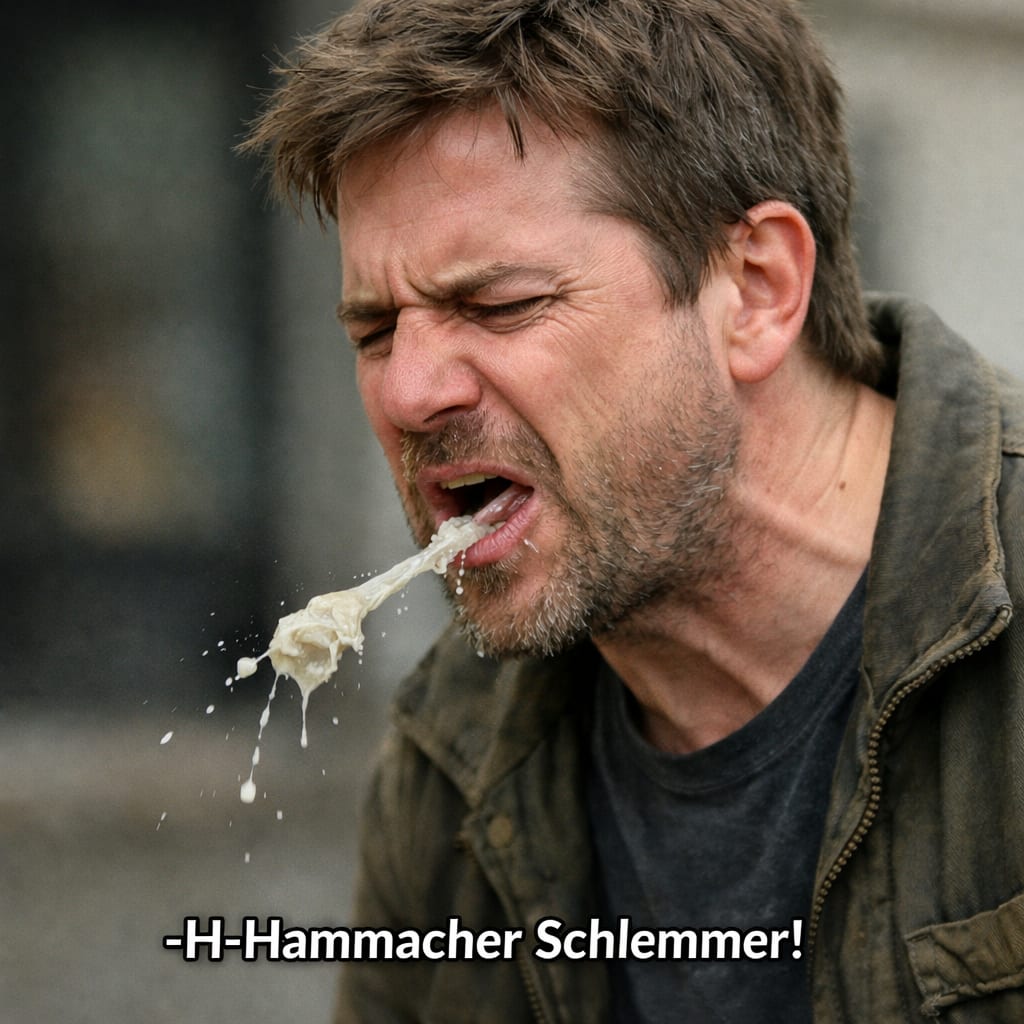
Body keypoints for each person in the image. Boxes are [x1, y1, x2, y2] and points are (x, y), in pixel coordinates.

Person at [242, 0, 1024, 1019]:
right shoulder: (454, 753)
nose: (408, 392)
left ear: (756, 288)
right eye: (375, 330)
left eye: (500, 305)